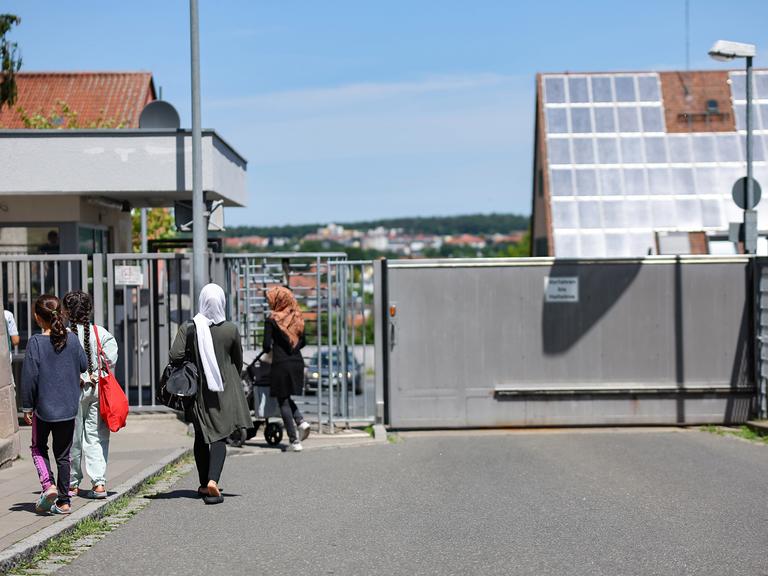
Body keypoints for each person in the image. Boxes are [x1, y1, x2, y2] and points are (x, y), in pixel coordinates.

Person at [169, 283, 251, 505]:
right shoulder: (231, 329)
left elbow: (175, 355)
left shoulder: (190, 327)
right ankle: (213, 480)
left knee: (201, 435)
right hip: (224, 389)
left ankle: (204, 483)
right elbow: (238, 359)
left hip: (198, 391)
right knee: (220, 436)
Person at [21, 295, 87, 515]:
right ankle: (65, 501)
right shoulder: (73, 340)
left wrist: (27, 406)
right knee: (64, 455)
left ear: (38, 318)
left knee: (38, 447)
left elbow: (30, 377)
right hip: (68, 408)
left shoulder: (36, 343)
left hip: (43, 409)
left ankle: (48, 485)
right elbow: (83, 364)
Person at [63, 290, 118, 499]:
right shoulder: (101, 333)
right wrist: (94, 374)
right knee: (96, 437)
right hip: (97, 390)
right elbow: (111, 359)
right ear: (89, 310)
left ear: (67, 312)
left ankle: (72, 484)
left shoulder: (65, 335)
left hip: (72, 391)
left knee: (72, 438)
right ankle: (99, 483)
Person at [263, 285, 311, 452]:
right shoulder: (297, 317)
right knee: (286, 396)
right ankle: (300, 421)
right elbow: (304, 342)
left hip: (281, 363)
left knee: (282, 400)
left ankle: (294, 441)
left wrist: (269, 353)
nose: (269, 302)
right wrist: (292, 346)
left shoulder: (272, 319)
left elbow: (265, 345)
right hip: (297, 362)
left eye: (270, 299)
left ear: (277, 300)